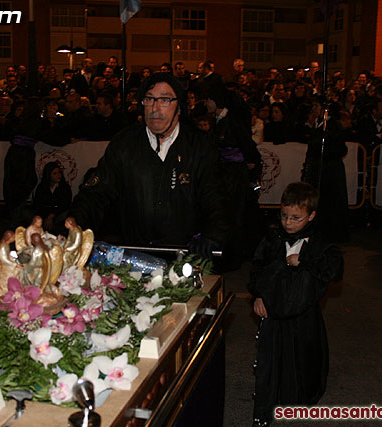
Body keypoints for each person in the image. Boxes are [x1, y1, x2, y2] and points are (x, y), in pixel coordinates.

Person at [69, 72, 229, 260]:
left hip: (183, 255)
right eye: (149, 99)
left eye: (165, 100)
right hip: (134, 255)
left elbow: (215, 197)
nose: (155, 107)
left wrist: (213, 235)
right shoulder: (125, 143)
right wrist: (74, 225)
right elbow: (96, 192)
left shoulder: (199, 146)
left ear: (179, 107)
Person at [248, 182, 343, 426]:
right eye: (284, 216)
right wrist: (258, 295)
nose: (288, 223)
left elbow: (334, 271)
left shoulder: (319, 243)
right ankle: (272, 396)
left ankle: (301, 397)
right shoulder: (273, 239)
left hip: (305, 313)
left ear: (311, 215)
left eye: (296, 218)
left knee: (303, 357)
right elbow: (258, 268)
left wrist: (304, 260)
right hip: (274, 309)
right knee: (273, 356)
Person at [33, 162, 72, 234]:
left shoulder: (65, 187)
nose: (58, 175)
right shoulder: (42, 187)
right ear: (48, 175)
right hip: (44, 214)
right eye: (55, 173)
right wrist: (46, 217)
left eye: (59, 173)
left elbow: (65, 205)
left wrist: (52, 216)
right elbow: (38, 204)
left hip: (58, 214)